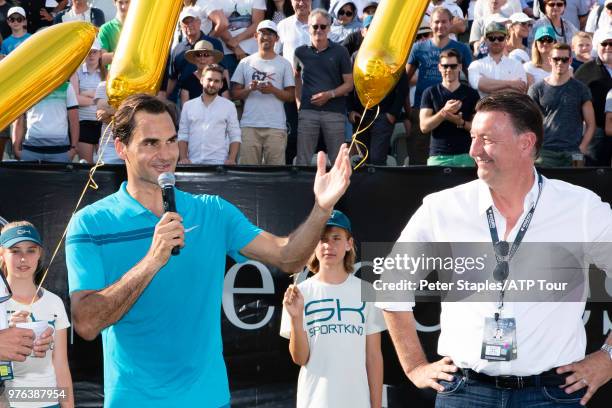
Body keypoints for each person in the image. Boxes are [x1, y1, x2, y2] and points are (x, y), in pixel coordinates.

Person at [65, 92, 351, 407]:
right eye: (150, 143)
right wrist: (152, 260)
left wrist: (322, 209)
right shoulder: (90, 224)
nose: (165, 153)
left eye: (171, 141)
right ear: (122, 149)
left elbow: (288, 257)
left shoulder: (212, 212)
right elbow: (87, 323)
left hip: (208, 398)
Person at [378, 91, 612, 408]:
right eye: (473, 137)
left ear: (526, 143)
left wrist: (608, 358)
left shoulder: (580, 208)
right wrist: (415, 366)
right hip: (464, 392)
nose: (473, 150)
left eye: (486, 139)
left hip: (553, 395)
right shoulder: (443, 208)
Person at [280, 210, 385, 408]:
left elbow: (374, 356)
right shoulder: (299, 293)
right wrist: (296, 318)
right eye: (322, 239)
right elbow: (300, 358)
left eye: (336, 238)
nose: (329, 245)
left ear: (349, 244)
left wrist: (376, 405)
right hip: (314, 401)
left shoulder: (366, 291)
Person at [1, 221, 74, 408]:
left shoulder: (54, 302)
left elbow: (61, 366)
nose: (23, 258)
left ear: (40, 253)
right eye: (15, 251)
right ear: (2, 253)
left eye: (31, 250)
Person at [294, 8, 353, 165]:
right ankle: (303, 190)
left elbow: (349, 84)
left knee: (338, 161)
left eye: (323, 26)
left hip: (334, 112)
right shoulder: (299, 52)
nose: (318, 30)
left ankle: (339, 190)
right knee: (303, 160)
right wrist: (299, 103)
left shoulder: (341, 51)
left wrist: (330, 94)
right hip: (308, 112)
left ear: (329, 27)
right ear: (308, 27)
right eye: (315, 26)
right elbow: (296, 79)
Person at [231, 20, 295, 165]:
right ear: (255, 36)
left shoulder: (284, 63)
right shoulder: (245, 62)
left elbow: (291, 96)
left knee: (275, 174)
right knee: (248, 173)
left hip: (276, 126)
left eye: (270, 34)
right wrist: (249, 89)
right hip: (249, 125)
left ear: (277, 38)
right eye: (263, 33)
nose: (266, 37)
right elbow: (234, 94)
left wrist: (273, 90)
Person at [347, 15, 409, 165]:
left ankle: (377, 189)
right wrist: (350, 110)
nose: (373, 33)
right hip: (360, 116)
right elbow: (349, 85)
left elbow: (402, 88)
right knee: (363, 160)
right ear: (363, 32)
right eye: (370, 29)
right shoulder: (355, 56)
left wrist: (392, 113)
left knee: (377, 159)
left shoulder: (393, 57)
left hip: (383, 116)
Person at [528, 42, 595, 166]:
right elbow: (530, 123)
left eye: (564, 59)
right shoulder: (536, 89)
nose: (560, 62)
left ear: (570, 61)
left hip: (574, 151)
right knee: (543, 185)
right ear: (550, 60)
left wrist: (582, 147)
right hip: (545, 152)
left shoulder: (581, 89)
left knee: (576, 184)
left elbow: (591, 124)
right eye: (556, 59)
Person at [421, 48, 480, 166]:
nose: (448, 70)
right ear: (439, 67)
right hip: (438, 156)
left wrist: (461, 122)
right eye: (445, 66)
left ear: (459, 67)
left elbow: (477, 128)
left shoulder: (471, 94)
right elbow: (424, 127)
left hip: (465, 155)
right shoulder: (430, 92)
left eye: (453, 66)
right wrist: (444, 113)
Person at [177, 64, 241, 165]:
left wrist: (231, 159)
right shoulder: (188, 106)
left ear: (221, 84)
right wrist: (184, 158)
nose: (212, 84)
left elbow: (235, 135)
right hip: (193, 163)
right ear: (201, 80)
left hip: (220, 164)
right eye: (209, 79)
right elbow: (183, 135)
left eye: (216, 81)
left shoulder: (229, 106)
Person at [276, 0, 313, 163]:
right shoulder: (283, 25)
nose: (301, 2)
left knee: (316, 135)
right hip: (290, 89)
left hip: (317, 88)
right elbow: (274, 55)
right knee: (292, 135)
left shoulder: (321, 22)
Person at [167, 6, 225, 104]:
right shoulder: (177, 49)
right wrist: (166, 98)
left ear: (199, 22)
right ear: (181, 26)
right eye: (185, 22)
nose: (189, 25)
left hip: (211, 94)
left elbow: (224, 71)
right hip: (183, 96)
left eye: (192, 21)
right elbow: (173, 78)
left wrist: (225, 97)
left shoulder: (214, 43)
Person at [12, 82, 79, 163]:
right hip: (31, 151)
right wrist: (16, 149)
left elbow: (74, 121)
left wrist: (74, 149)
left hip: (61, 152)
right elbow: (19, 121)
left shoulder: (67, 87)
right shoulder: (26, 86)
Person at [575, 29, 612, 166]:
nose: (608, 47)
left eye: (611, 44)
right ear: (597, 46)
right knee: (595, 174)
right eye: (604, 44)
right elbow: (575, 99)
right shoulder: (586, 69)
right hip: (596, 133)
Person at [468, 22, 528, 97]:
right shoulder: (476, 65)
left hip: (510, 107)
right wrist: (511, 84)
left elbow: (520, 89)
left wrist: (489, 86)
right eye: (492, 38)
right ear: (486, 40)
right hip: (486, 108)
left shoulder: (516, 65)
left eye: (500, 38)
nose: (496, 41)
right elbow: (480, 85)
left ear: (506, 39)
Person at [70, 40, 106, 164]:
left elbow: (109, 99)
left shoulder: (106, 74)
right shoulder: (76, 72)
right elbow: (75, 99)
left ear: (100, 54)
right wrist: (97, 99)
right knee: (86, 165)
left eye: (94, 52)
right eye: (89, 52)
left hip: (102, 124)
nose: (91, 55)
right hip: (83, 124)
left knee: (104, 164)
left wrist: (86, 94)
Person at [216, 0, 266, 77]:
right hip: (225, 53)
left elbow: (258, 24)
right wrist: (236, 48)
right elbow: (218, 25)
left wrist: (235, 41)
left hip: (251, 52)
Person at [180, 40, 229, 105]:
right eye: (198, 55)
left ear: (213, 59)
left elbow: (226, 105)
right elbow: (185, 108)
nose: (202, 58)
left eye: (206, 55)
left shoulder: (220, 78)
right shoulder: (187, 80)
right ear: (194, 59)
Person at [98, 0, 130, 66]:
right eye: (120, 2)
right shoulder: (105, 29)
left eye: (127, 2)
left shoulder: (139, 26)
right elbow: (101, 59)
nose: (124, 6)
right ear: (114, 2)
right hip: (116, 75)